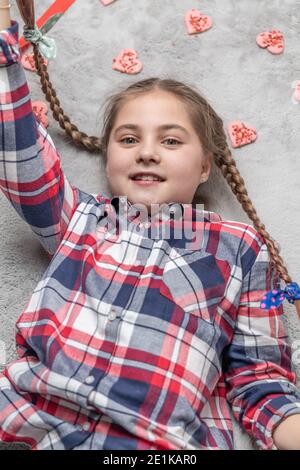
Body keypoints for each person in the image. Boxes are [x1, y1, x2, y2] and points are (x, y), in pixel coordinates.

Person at [1, 2, 300, 451]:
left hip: (158, 441)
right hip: (34, 417)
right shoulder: (81, 216)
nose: (146, 152)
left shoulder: (242, 247)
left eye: (171, 140)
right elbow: (24, 162)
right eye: (128, 139)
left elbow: (259, 375)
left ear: (204, 166)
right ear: (109, 158)